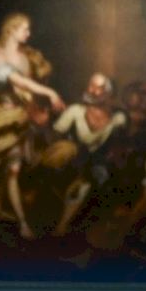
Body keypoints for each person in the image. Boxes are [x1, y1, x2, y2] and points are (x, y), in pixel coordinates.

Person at [0, 12, 65, 239]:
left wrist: (36, 111)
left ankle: (21, 222)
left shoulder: (25, 58)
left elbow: (25, 91)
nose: (28, 33)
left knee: (12, 170)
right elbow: (18, 82)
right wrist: (50, 92)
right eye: (24, 29)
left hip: (19, 118)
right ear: (11, 29)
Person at [45, 72, 128, 237]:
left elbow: (119, 148)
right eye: (91, 85)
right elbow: (53, 138)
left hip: (98, 166)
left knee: (97, 176)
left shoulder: (118, 118)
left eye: (99, 88)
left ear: (110, 93)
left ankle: (66, 225)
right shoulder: (75, 111)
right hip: (73, 161)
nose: (92, 90)